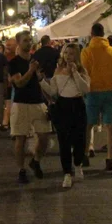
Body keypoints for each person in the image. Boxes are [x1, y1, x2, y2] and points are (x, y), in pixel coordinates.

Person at [40, 42, 89, 188]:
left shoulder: (82, 71)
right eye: (66, 53)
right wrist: (42, 81)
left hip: (77, 105)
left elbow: (85, 89)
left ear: (77, 56)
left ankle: (78, 164)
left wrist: (74, 73)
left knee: (79, 139)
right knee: (64, 141)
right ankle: (67, 173)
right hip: (63, 106)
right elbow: (53, 92)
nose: (68, 56)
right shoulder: (58, 71)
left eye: (71, 53)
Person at [81, 22, 112, 172]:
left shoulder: (86, 52)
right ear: (103, 34)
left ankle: (86, 153)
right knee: (109, 126)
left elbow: (84, 72)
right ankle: (109, 158)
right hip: (108, 91)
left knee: (89, 125)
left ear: (92, 34)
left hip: (92, 92)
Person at [8, 31, 50, 184]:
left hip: (38, 102)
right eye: (25, 40)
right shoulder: (14, 63)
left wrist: (40, 77)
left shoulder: (36, 61)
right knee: (21, 138)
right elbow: (19, 83)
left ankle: (36, 160)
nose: (29, 43)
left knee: (44, 136)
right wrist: (31, 70)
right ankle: (21, 169)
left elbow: (40, 81)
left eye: (30, 40)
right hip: (21, 103)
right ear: (19, 43)